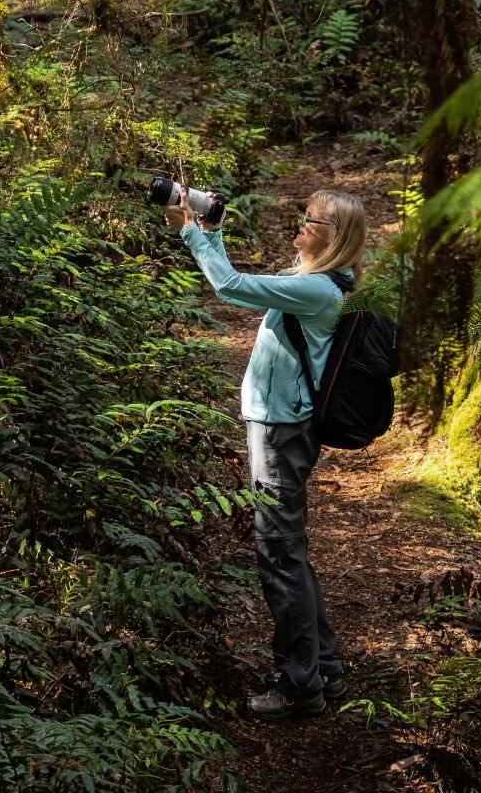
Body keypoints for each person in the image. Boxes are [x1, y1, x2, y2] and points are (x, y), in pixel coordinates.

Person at [167, 186, 368, 720]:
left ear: (334, 236)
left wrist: (192, 233)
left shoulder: (318, 290)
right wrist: (212, 230)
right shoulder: (319, 282)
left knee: (278, 553)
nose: (300, 224)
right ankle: (323, 667)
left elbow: (230, 286)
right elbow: (246, 286)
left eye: (311, 219)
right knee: (289, 550)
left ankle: (300, 685)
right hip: (282, 424)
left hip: (281, 431)